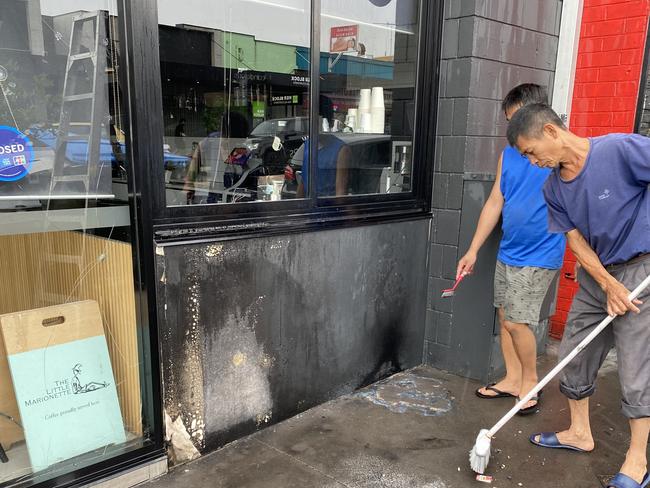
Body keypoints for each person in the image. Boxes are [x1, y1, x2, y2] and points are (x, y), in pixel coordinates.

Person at [506, 103, 650, 487]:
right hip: (598, 273)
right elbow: (574, 238)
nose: (532, 161)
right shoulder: (553, 188)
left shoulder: (619, 150)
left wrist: (622, 283)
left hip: (642, 269)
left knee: (636, 367)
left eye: (531, 152)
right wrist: (606, 283)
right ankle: (579, 433)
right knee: (574, 351)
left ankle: (637, 461)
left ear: (551, 132)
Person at [457, 84, 565, 415]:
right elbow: (495, 202)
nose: (512, 131)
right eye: (508, 122)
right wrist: (473, 250)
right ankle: (513, 379)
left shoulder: (557, 154)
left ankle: (530, 384)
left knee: (518, 322)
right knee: (505, 316)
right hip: (509, 250)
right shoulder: (509, 155)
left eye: (516, 120)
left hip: (540, 251)